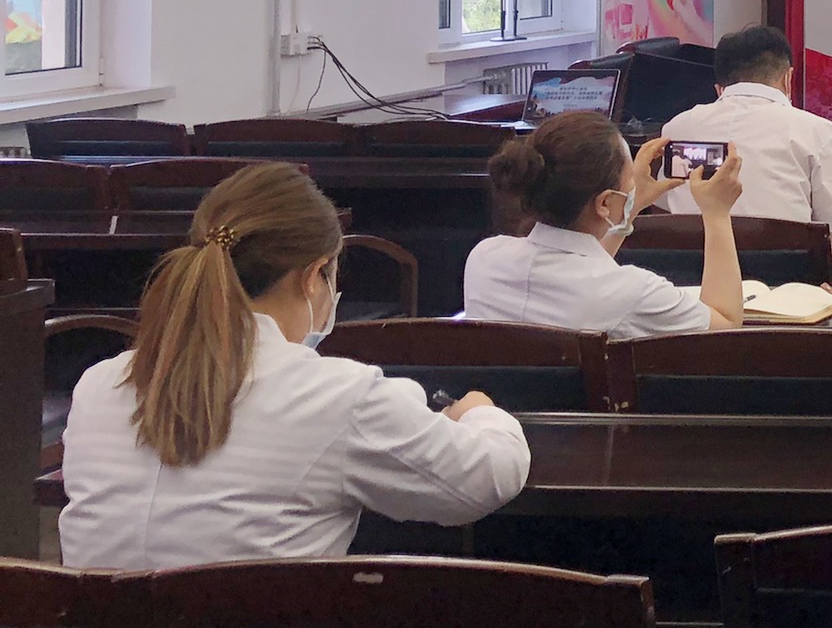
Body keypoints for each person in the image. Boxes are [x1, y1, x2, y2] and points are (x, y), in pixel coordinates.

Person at [61, 164, 529, 568]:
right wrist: (480, 412)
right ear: (311, 277)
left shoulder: (99, 385)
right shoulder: (339, 395)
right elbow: (485, 480)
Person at [465, 110, 749, 336]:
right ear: (604, 203)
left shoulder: (485, 258)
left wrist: (631, 205)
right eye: (630, 179)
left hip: (495, 396)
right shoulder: (633, 292)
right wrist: (716, 213)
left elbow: (586, 272)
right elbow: (725, 326)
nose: (634, 185)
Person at [658, 25, 832, 272]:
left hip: (691, 288)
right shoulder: (819, 133)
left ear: (719, 88)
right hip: (790, 288)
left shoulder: (676, 129)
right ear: (787, 78)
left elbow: (666, 212)